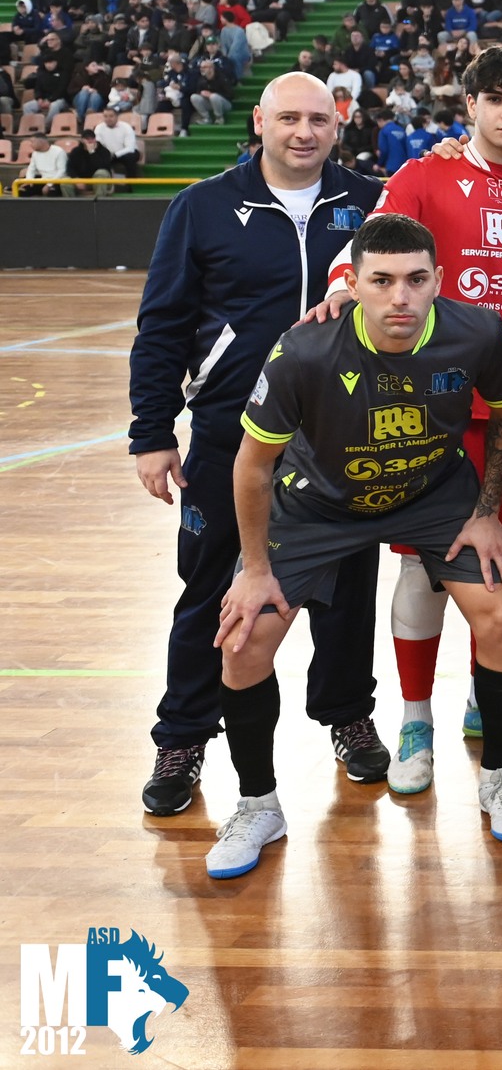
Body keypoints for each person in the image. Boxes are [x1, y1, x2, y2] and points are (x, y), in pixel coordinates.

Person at [207, 213, 502, 877]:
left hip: (435, 495)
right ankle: (257, 803)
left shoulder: (477, 333)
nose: (401, 298)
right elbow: (250, 466)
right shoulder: (304, 350)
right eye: (382, 281)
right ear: (351, 282)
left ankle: (498, 776)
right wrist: (255, 569)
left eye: (416, 280)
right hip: (317, 502)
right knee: (244, 641)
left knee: (500, 616)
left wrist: (486, 510)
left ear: (439, 280)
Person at [127, 73, 387, 817]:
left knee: (344, 593)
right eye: (289, 119)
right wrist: (152, 433)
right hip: (227, 433)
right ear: (260, 123)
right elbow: (163, 326)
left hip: (343, 438)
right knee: (211, 589)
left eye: (319, 120)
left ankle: (346, 714)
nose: (304, 132)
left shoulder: (372, 203)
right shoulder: (201, 206)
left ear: (339, 126)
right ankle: (182, 735)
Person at [321, 45, 502, 791]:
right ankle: (415, 718)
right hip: (428, 402)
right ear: (470, 106)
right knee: (423, 567)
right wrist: (340, 291)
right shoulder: (425, 174)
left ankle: (479, 702)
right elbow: (366, 248)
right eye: (495, 98)